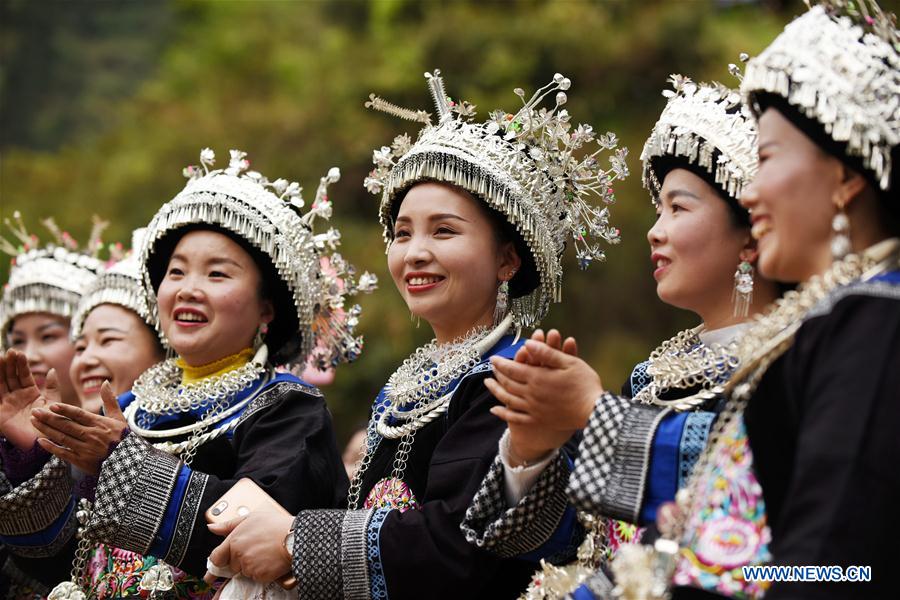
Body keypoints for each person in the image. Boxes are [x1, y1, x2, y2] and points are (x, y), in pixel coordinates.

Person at [204, 69, 629, 599]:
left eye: (444, 230)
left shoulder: (509, 378)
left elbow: (459, 548)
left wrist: (296, 541)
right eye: (402, 233)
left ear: (507, 259)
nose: (415, 252)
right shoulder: (407, 384)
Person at [461, 72, 780, 599]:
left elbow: (748, 489)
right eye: (658, 210)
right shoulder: (652, 376)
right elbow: (574, 543)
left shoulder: (787, 358)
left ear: (750, 232)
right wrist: (531, 451)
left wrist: (593, 412)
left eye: (678, 207)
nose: (655, 230)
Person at [24, 148, 375, 598]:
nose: (189, 289)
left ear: (266, 306)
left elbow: (253, 539)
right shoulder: (129, 410)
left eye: (216, 274)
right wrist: (26, 451)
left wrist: (122, 465)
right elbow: (53, 563)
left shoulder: (286, 407)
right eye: (176, 272)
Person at [0, 216, 104, 597]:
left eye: (49, 335)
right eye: (17, 339)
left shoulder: (143, 433)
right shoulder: (5, 446)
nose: (29, 355)